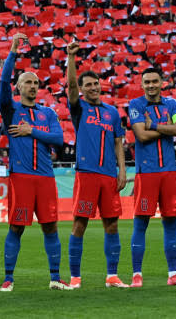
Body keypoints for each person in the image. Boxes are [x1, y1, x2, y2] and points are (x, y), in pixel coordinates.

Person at [0, 34, 68, 292]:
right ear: (18, 87)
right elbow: (3, 82)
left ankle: (55, 278)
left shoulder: (47, 113)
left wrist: (31, 131)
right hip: (21, 177)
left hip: (46, 177)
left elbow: (59, 139)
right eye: (27, 82)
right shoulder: (10, 109)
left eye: (36, 83)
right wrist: (13, 52)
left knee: (50, 226)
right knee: (16, 227)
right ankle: (8, 279)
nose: (33, 86)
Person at [66, 40, 128, 289]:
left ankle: (112, 276)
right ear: (82, 90)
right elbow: (71, 86)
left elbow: (118, 142)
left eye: (95, 83)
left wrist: (122, 170)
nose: (93, 87)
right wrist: (71, 58)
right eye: (88, 85)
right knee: (79, 224)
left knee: (111, 224)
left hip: (109, 175)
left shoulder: (112, 112)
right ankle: (75, 277)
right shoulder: (79, 108)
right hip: (87, 174)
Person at [128, 67, 176, 287]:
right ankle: (137, 275)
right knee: (141, 223)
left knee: (171, 222)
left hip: (169, 172)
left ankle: (173, 274)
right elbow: (141, 135)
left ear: (161, 82)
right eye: (147, 82)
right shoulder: (136, 105)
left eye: (155, 81)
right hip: (146, 173)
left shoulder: (172, 104)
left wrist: (154, 125)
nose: (151, 85)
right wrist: (168, 128)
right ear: (142, 84)